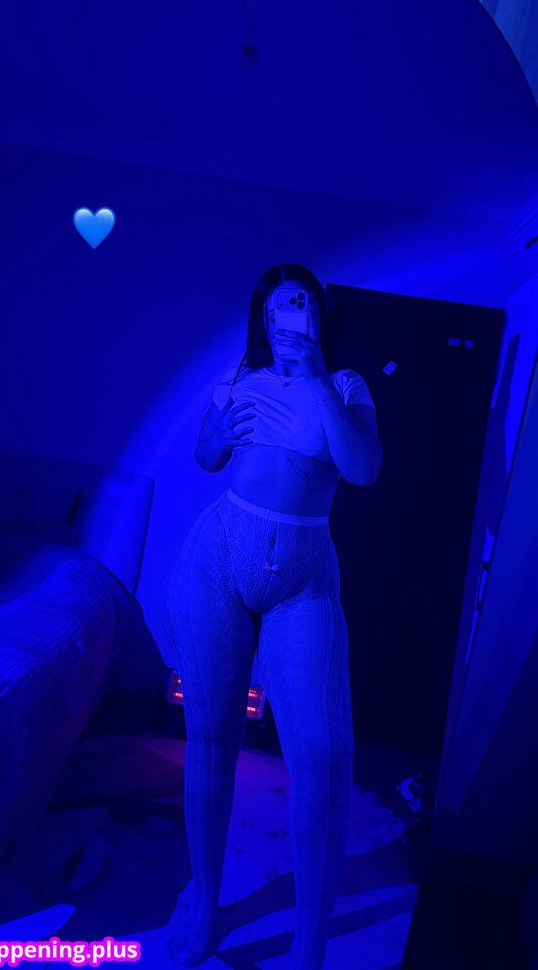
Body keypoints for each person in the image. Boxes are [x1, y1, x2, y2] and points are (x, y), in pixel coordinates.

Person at [162, 263, 383, 968]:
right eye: (279, 306)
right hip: (217, 560)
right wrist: (219, 430)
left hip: (304, 577)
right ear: (263, 317)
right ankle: (205, 905)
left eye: (302, 303)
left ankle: (308, 945)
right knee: (209, 737)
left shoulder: (344, 386)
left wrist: (315, 374)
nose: (290, 314)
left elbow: (364, 468)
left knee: (323, 755)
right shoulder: (238, 376)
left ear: (317, 315)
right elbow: (204, 456)